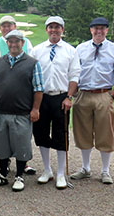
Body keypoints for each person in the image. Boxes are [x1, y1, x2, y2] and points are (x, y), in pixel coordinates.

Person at [0, 30, 44, 192]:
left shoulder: (32, 63)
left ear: (22, 43)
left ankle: (19, 176)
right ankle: (3, 174)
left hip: (22, 113)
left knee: (21, 145)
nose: (13, 44)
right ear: (7, 43)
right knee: (1, 144)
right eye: (10, 41)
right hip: (1, 111)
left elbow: (38, 89)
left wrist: (35, 109)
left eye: (16, 41)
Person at [70, 17, 114, 185]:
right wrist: (75, 93)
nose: (99, 31)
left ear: (107, 30)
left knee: (105, 133)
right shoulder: (80, 48)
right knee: (83, 132)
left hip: (103, 94)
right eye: (95, 28)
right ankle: (86, 168)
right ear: (91, 30)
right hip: (83, 94)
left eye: (102, 28)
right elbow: (73, 72)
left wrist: (111, 96)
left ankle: (105, 170)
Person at [30, 16, 81, 190]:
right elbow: (32, 75)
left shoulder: (70, 51)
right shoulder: (37, 50)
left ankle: (60, 173)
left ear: (62, 30)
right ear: (46, 30)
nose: (54, 30)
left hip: (61, 97)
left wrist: (69, 97)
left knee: (61, 134)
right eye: (51, 27)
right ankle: (47, 170)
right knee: (41, 133)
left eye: (57, 27)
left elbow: (74, 75)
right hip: (41, 97)